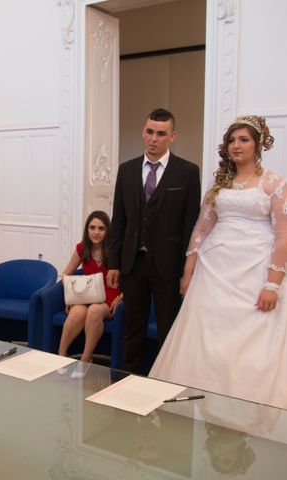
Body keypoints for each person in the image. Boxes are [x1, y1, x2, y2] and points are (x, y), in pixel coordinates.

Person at [150, 115, 287, 412]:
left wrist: (272, 284)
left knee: (250, 346)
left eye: (243, 140)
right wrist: (189, 270)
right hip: (215, 270)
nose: (236, 145)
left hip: (255, 272)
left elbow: (284, 237)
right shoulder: (220, 184)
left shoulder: (274, 184)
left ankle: (244, 404)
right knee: (207, 338)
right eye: (232, 140)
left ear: (258, 145)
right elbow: (201, 229)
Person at [106, 108, 201, 374]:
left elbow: (190, 226)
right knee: (131, 330)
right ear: (143, 133)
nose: (154, 138)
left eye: (161, 133)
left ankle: (165, 386)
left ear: (172, 136)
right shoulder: (126, 170)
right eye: (150, 132)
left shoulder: (187, 172)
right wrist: (114, 263)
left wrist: (186, 271)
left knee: (168, 330)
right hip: (133, 263)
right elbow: (119, 219)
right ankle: (127, 384)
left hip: (168, 267)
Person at [58, 211, 122, 378]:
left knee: (93, 311)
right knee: (77, 312)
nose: (96, 232)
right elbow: (66, 274)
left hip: (109, 298)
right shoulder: (82, 249)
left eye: (101, 228)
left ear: (107, 230)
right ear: (87, 230)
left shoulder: (116, 250)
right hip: (87, 294)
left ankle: (86, 360)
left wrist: (121, 297)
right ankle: (61, 355)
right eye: (92, 227)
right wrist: (70, 294)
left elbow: (131, 279)